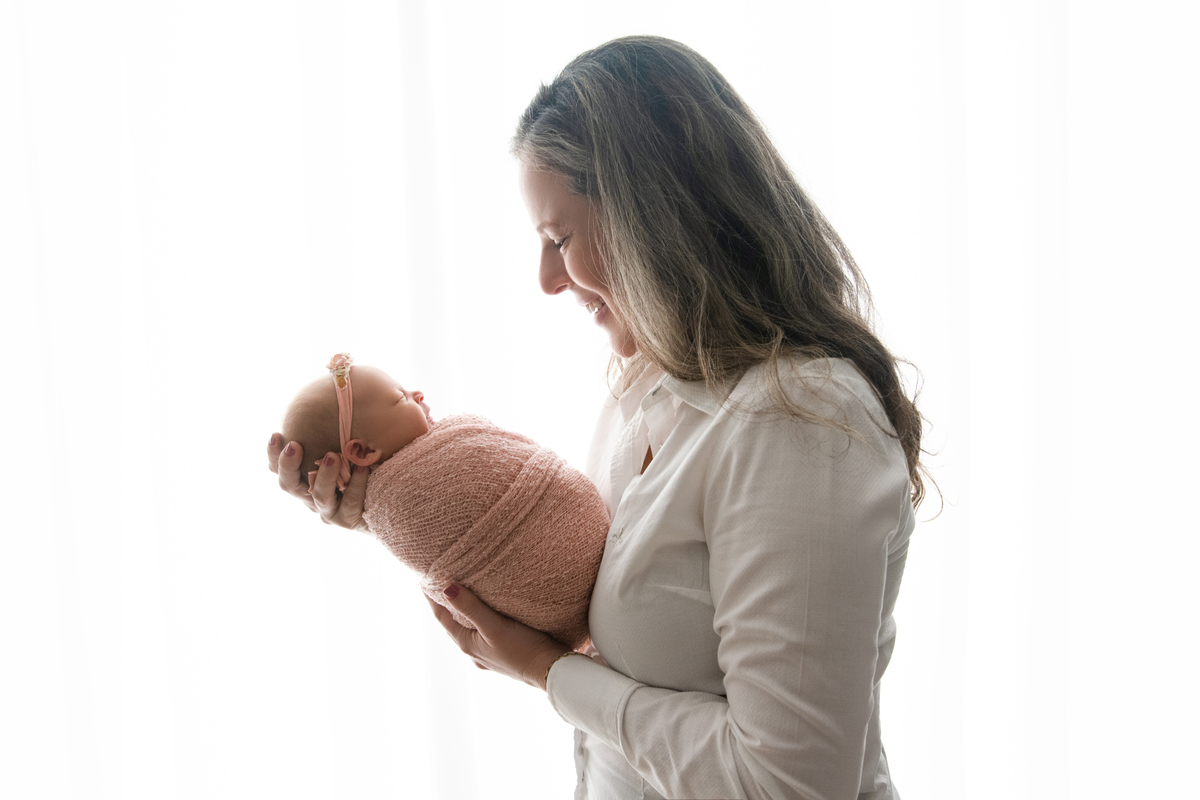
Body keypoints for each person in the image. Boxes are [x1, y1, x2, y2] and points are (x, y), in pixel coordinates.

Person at [269, 35, 927, 800]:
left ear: (656, 221)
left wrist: (552, 676)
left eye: (560, 239)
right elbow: (584, 597)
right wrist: (384, 505)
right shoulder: (645, 387)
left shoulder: (801, 423)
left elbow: (790, 784)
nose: (547, 280)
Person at [277, 353, 608, 650]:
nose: (417, 394)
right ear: (363, 451)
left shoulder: (427, 471)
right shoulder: (396, 503)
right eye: (400, 398)